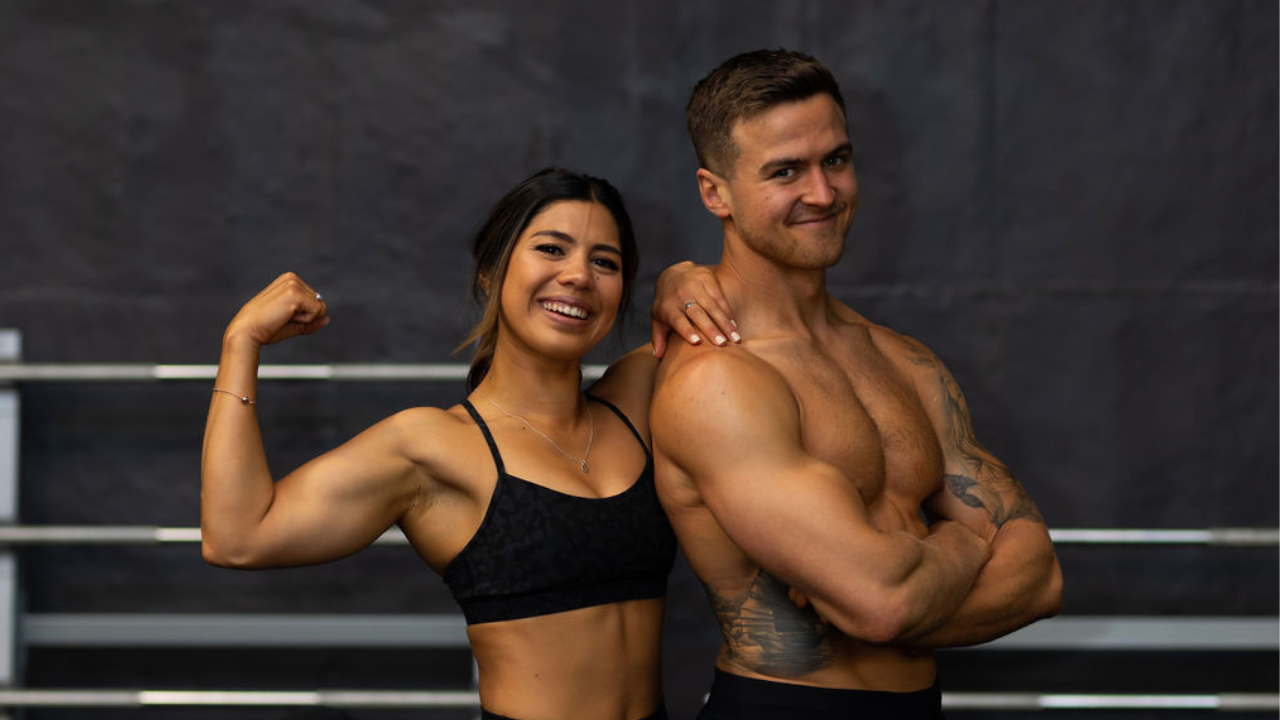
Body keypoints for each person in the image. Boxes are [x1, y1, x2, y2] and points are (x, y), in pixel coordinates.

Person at [201, 167, 736, 720]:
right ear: (490, 272)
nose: (579, 275)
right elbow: (236, 538)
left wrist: (681, 278)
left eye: (605, 262)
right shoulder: (432, 446)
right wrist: (241, 341)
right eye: (551, 249)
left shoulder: (640, 393)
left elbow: (753, 307)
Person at [649, 49, 1064, 719]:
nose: (823, 194)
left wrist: (899, 594)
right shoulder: (718, 379)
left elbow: (1040, 575)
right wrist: (963, 541)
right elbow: (882, 604)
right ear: (714, 192)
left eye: (835, 160)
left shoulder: (902, 360)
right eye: (785, 171)